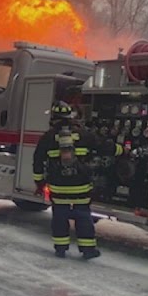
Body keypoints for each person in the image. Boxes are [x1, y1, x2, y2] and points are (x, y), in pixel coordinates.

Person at [33, 101, 100, 259]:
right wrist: (121, 150)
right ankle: (88, 249)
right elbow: (102, 146)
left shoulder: (48, 137)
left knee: (59, 217)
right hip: (81, 187)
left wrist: (39, 183)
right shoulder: (84, 134)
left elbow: (37, 161)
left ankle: (61, 248)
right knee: (83, 216)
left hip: (58, 188)